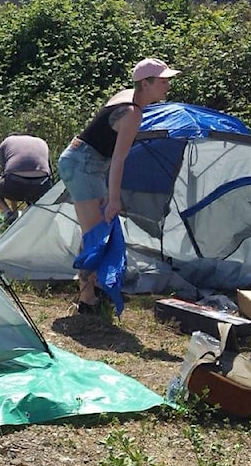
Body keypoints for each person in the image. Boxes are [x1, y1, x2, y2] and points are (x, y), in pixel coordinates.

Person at [56, 57, 181, 314]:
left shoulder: (126, 96)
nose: (168, 85)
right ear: (145, 84)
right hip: (84, 166)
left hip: (82, 160)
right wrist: (114, 200)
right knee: (95, 234)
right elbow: (119, 159)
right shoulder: (132, 113)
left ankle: (94, 287)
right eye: (163, 80)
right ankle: (86, 299)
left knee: (98, 229)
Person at [0, 134, 52, 225]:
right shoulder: (42, 141)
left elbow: (6, 174)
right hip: (42, 187)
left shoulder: (6, 143)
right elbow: (50, 173)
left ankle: (8, 213)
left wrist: (14, 209)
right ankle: (30, 212)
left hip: (15, 185)